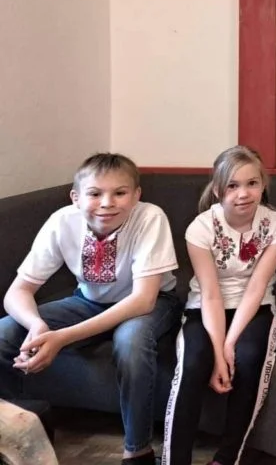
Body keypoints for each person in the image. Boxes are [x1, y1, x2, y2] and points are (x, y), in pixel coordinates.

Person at [0, 153, 179, 465]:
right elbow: (18, 291)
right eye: (95, 193)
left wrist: (61, 338)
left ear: (136, 195)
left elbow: (143, 300)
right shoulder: (62, 221)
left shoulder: (150, 217)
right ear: (76, 197)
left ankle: (138, 450)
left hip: (150, 302)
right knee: (4, 332)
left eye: (120, 193)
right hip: (87, 301)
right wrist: (37, 326)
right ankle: (16, 434)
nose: (107, 203)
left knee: (131, 343)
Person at [162, 146, 276, 465]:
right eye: (233, 186)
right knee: (194, 362)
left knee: (248, 358)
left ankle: (227, 458)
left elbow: (256, 287)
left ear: (263, 184)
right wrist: (219, 356)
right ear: (218, 190)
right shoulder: (200, 228)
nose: (243, 194)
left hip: (256, 307)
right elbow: (210, 294)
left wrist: (230, 344)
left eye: (252, 183)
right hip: (205, 308)